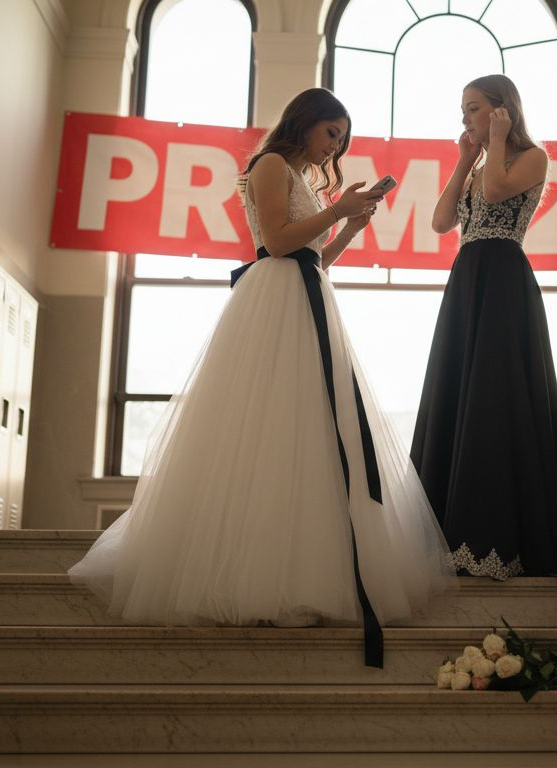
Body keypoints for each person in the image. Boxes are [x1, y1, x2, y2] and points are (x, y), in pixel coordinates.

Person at [70, 88, 455, 668]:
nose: (336, 146)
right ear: (304, 123)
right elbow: (275, 243)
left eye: (343, 140)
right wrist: (335, 212)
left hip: (307, 297)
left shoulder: (301, 176)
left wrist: (350, 224)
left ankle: (307, 570)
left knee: (311, 433)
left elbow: (315, 257)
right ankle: (257, 576)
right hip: (275, 301)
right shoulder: (270, 164)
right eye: (332, 133)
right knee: (270, 426)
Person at [410, 75, 557, 589]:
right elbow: (439, 223)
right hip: (466, 282)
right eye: (463, 110)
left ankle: (501, 532)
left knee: (497, 396)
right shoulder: (479, 162)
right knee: (456, 391)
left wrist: (495, 142)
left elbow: (500, 190)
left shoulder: (531, 157)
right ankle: (447, 532)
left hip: (503, 280)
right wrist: (462, 160)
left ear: (502, 110)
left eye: (473, 109)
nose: (465, 119)